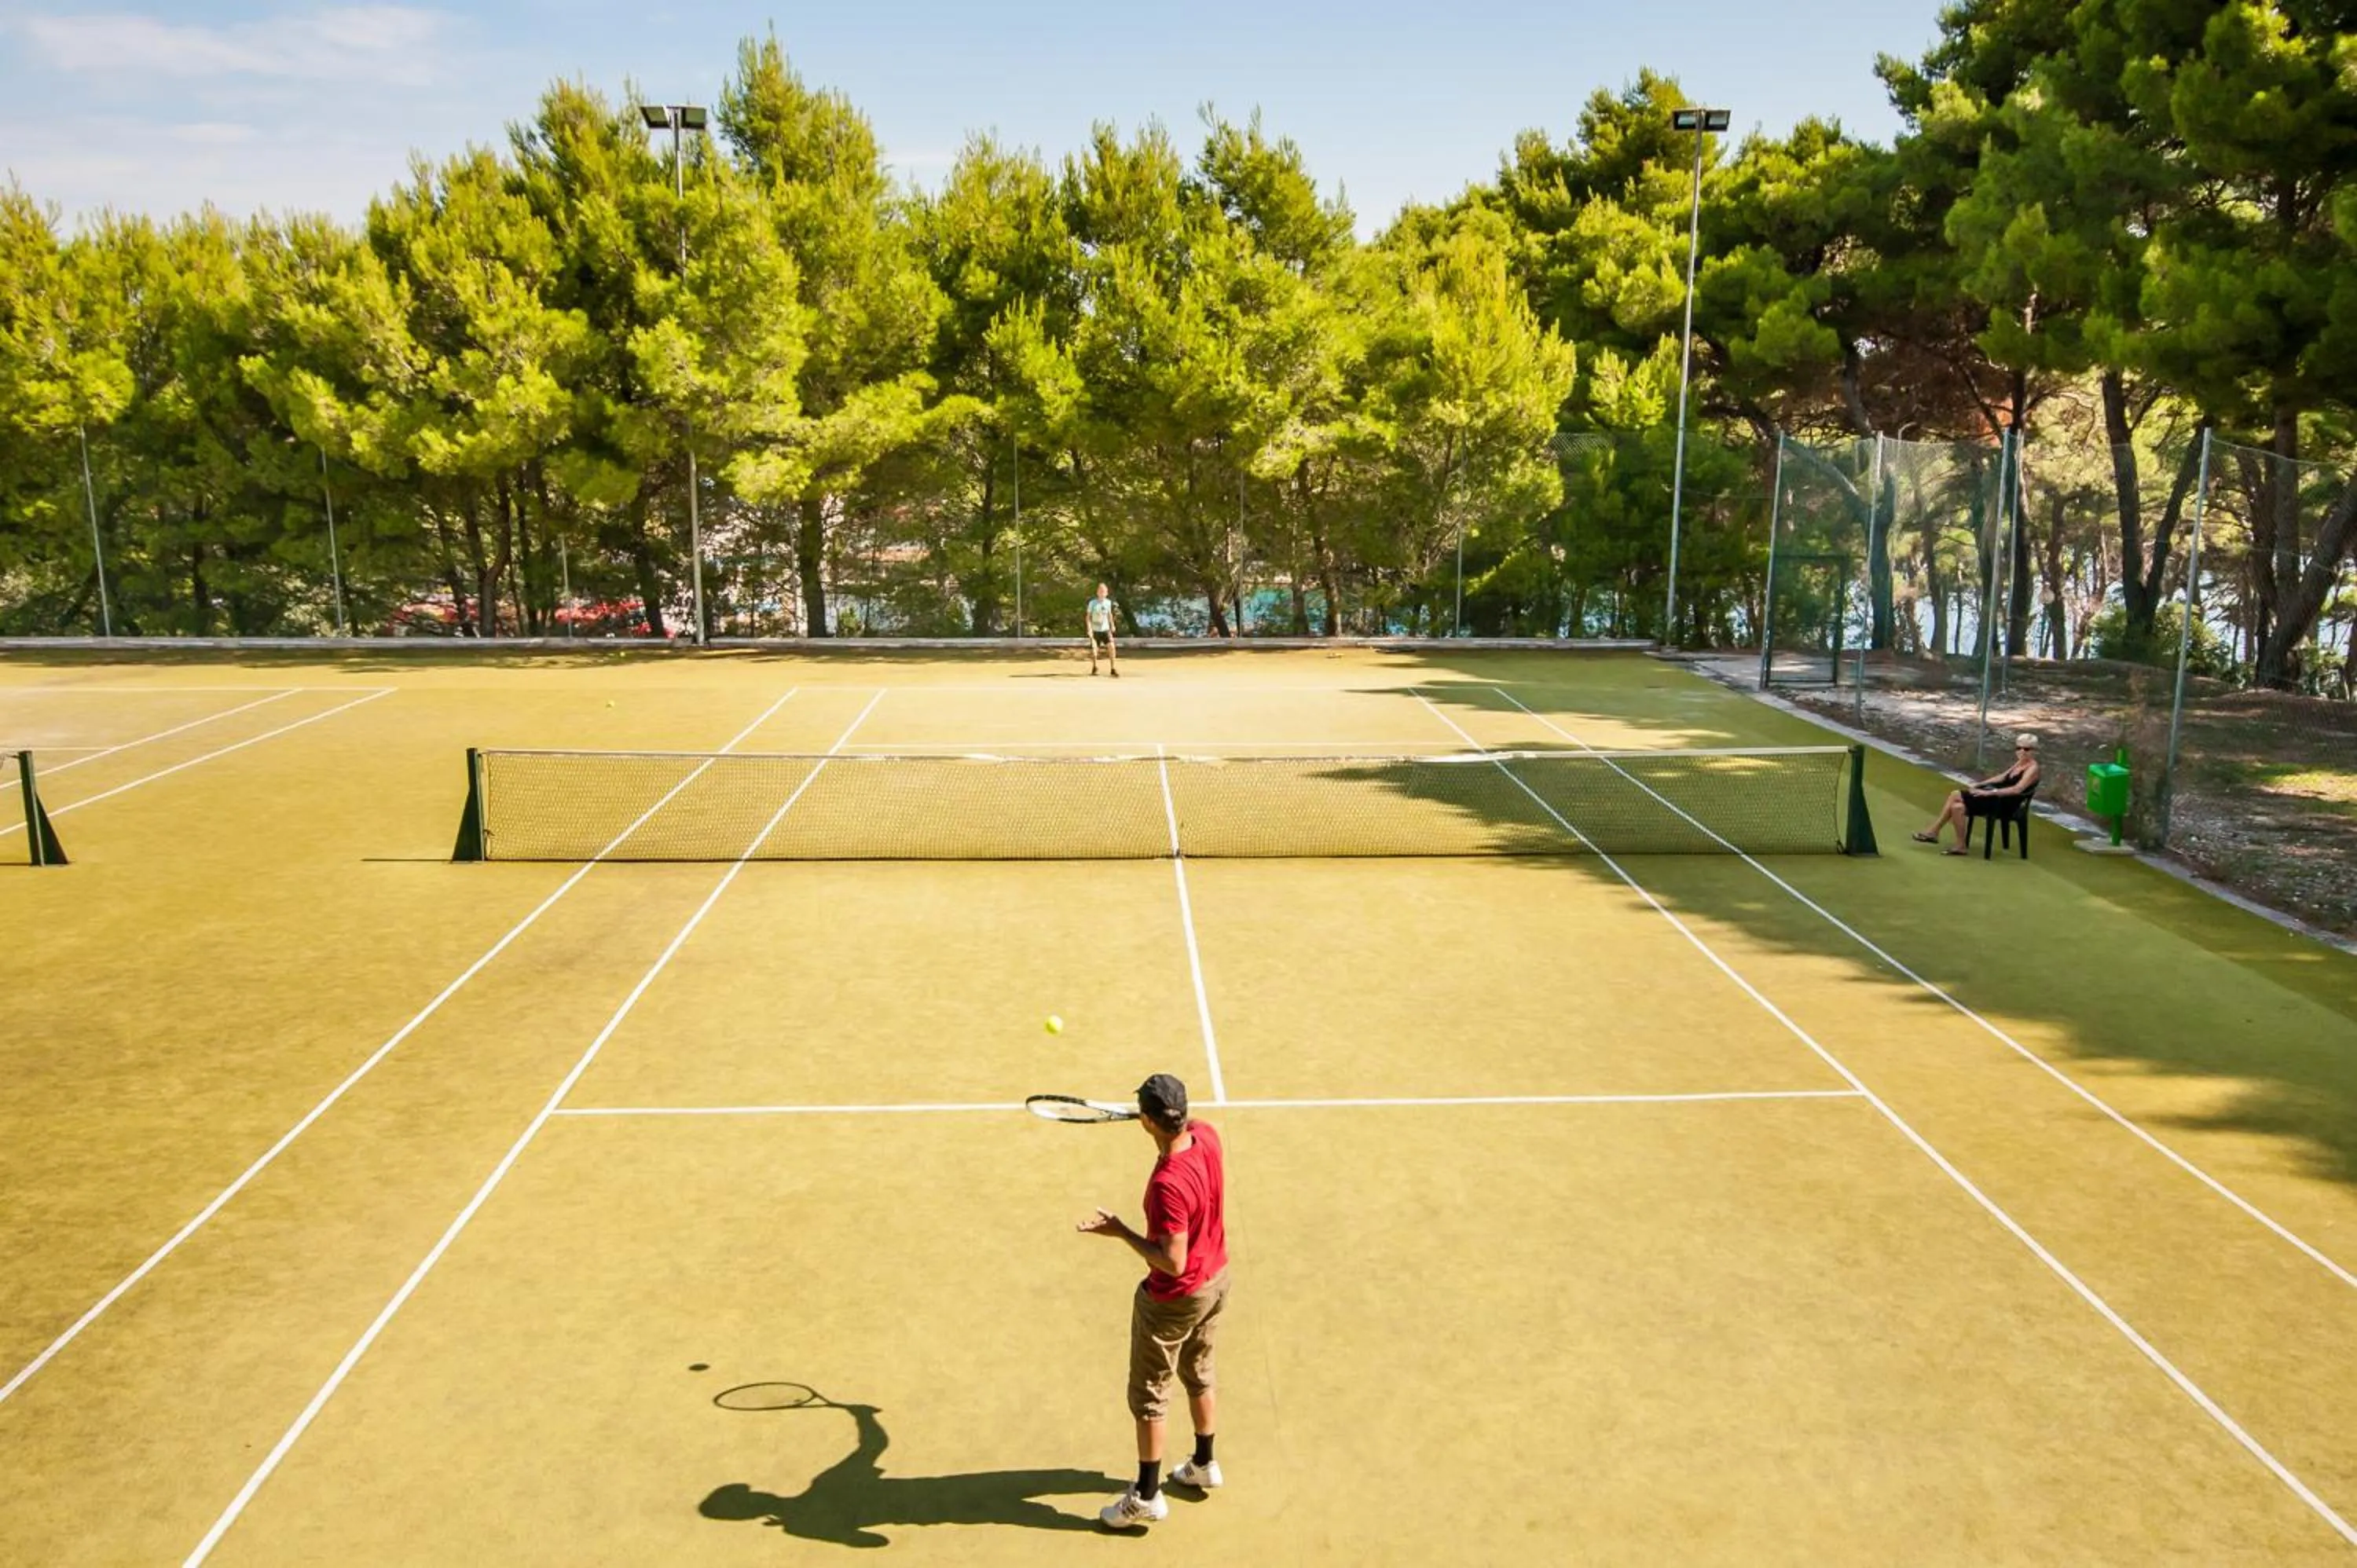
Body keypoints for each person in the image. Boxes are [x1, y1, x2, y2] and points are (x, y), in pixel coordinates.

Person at [1077, 1073, 1228, 1530]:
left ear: (1147, 1121)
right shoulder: (1206, 1135)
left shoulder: (1168, 1185)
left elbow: (1172, 1261)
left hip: (1175, 1298)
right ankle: (1204, 1463)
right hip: (1217, 1280)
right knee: (1199, 1372)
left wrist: (1121, 1232)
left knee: (1149, 1397)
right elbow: (1185, 1125)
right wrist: (1151, 1121)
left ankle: (1146, 1495)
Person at [1915, 733, 2042, 855]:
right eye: (2018, 748)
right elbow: (2001, 778)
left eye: (2026, 749)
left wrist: (1989, 793)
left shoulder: (2032, 768)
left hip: (2005, 804)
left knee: (1955, 794)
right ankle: (1960, 846)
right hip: (1995, 798)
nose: (2022, 752)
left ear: (2034, 751)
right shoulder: (2020, 763)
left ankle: (1934, 831)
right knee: (1957, 807)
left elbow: (2017, 789)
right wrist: (1979, 785)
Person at [1085, 584, 1120, 676]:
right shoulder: (1092, 603)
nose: (1102, 593)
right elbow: (1088, 617)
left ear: (1106, 593)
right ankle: (1095, 667)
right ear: (1097, 593)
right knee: (1094, 649)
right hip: (1095, 630)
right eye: (1100, 591)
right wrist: (1089, 628)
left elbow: (1109, 615)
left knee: (1112, 647)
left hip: (1105, 629)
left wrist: (1112, 625)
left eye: (1103, 591)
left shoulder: (1108, 603)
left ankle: (1113, 668)